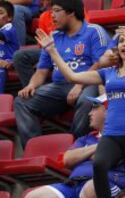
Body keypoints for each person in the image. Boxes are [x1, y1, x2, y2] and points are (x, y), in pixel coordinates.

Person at [35, 24, 125, 198]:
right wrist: (52, 51)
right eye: (121, 42)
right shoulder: (108, 72)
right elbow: (74, 77)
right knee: (99, 164)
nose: (124, 45)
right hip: (111, 134)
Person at [14, 0, 109, 148]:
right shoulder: (54, 36)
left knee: (87, 101)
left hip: (88, 83)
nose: (52, 16)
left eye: (57, 11)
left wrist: (78, 85)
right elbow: (41, 70)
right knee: (22, 102)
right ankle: (34, 148)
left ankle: (76, 147)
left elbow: (101, 65)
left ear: (71, 12)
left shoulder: (94, 31)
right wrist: (31, 85)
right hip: (59, 86)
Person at [22, 95, 125, 198]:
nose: (89, 113)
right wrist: (97, 146)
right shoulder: (85, 139)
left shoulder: (122, 137)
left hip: (105, 185)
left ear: (108, 111)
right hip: (74, 185)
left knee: (91, 188)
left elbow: (104, 157)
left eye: (94, 108)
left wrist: (83, 154)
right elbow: (67, 159)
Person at [12, 0, 54, 88]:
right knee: (19, 56)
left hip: (68, 48)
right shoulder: (45, 16)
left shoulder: (73, 11)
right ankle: (35, 93)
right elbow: (43, 45)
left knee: (16, 10)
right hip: (48, 49)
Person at [0, 0, 19, 93]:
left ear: (9, 17)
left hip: (9, 62)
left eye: (0, 12)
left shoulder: (9, 28)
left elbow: (2, 36)